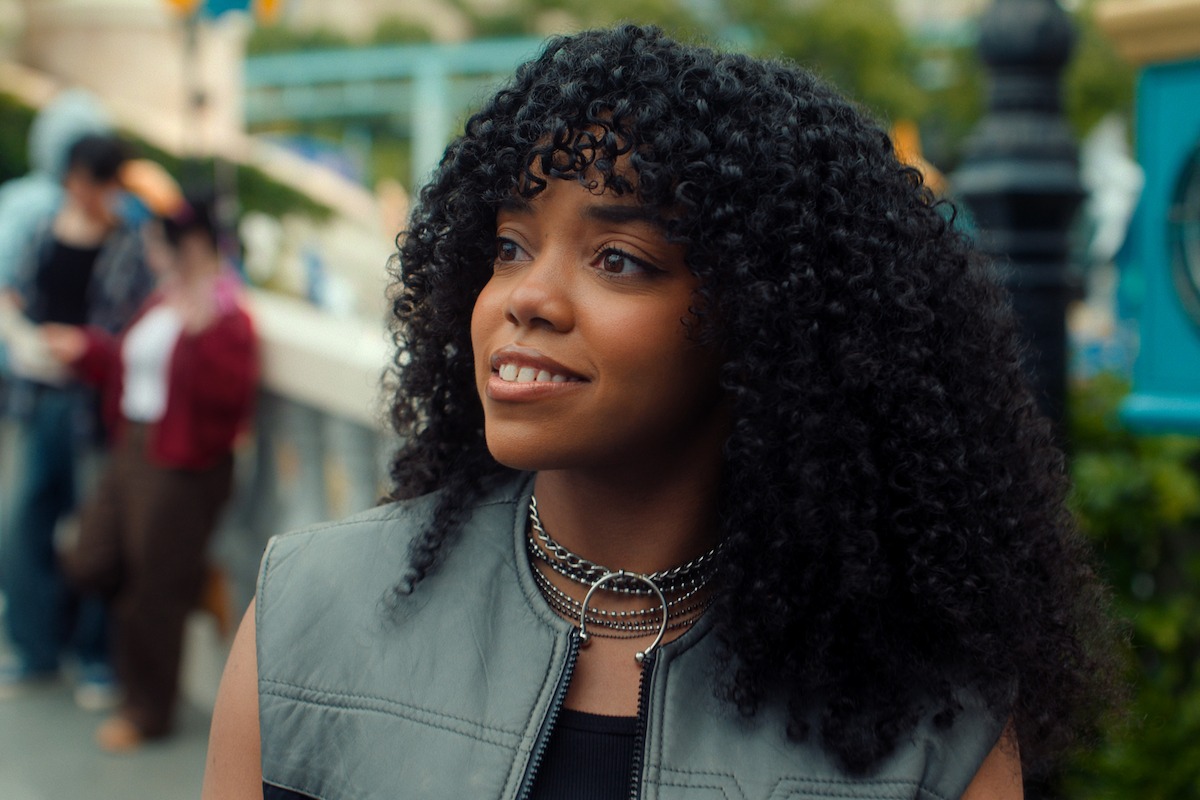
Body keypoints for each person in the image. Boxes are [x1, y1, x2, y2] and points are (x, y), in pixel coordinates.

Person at [204, 25, 1117, 800]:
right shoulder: (310, 610)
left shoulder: (931, 717)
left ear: (768, 322)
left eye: (619, 259)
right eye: (511, 245)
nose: (529, 297)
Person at [41, 196, 258, 751]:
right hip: (133, 446)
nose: (151, 253)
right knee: (90, 557)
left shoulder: (224, 310)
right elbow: (126, 365)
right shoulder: (163, 301)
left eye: (160, 243)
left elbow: (227, 399)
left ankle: (147, 711)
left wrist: (202, 333)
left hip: (181, 459)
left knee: (151, 590)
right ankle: (190, 582)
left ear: (187, 246)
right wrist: (84, 348)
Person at [0, 133, 153, 705]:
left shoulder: (130, 244)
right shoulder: (41, 231)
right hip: (36, 393)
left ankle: (95, 654)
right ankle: (35, 645)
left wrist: (82, 344)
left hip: (92, 404)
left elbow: (128, 328)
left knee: (96, 532)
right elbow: (17, 295)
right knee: (24, 522)